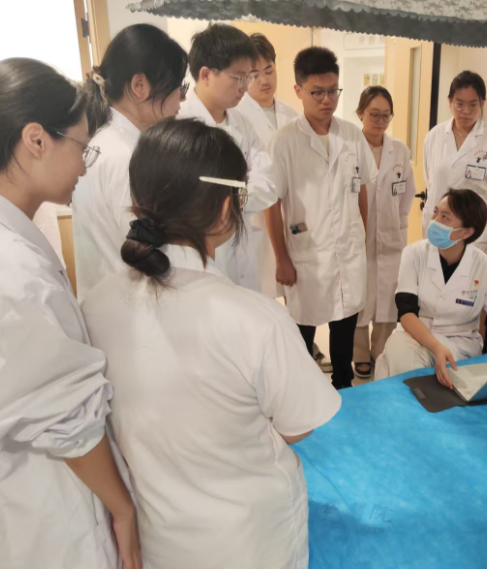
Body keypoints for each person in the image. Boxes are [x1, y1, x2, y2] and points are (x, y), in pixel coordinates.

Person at [80, 119, 341, 569]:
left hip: (159, 539)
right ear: (224, 211)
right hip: (251, 542)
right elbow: (298, 425)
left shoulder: (95, 305)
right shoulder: (256, 319)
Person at [0, 58, 141, 569]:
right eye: (82, 147)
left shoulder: (19, 239)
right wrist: (123, 508)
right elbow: (66, 421)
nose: (84, 166)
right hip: (44, 504)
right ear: (36, 140)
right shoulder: (14, 271)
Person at [266, 47, 377, 389]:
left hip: (348, 252)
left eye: (333, 91)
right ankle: (303, 394)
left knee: (344, 329)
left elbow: (361, 190)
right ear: (298, 90)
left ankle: (344, 387)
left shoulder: (352, 135)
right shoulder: (284, 141)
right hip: (306, 255)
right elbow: (272, 203)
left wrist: (360, 237)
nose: (327, 100)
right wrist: (281, 258)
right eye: (317, 92)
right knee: (303, 331)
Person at [375, 188, 487, 384]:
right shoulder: (413, 254)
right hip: (414, 338)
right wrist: (436, 347)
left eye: (445, 217)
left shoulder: (486, 268)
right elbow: (406, 314)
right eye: (436, 213)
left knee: (435, 378)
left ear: (466, 232)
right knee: (401, 353)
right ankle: (420, 395)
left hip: (459, 347)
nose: (435, 221)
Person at [71, 23, 189, 299]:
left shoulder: (105, 140)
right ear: (140, 86)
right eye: (178, 87)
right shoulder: (125, 157)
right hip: (130, 304)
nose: (181, 100)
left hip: (110, 302)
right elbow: (148, 254)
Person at [178, 23, 278, 293]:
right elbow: (192, 200)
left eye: (249, 77)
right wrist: (240, 194)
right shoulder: (180, 126)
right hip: (202, 262)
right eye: (239, 78)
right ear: (206, 74)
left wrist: (234, 198)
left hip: (244, 253)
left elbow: (269, 182)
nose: (245, 87)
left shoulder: (242, 123)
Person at [352, 86, 415, 379]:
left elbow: (407, 195)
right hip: (358, 237)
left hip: (391, 236)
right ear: (360, 114)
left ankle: (380, 352)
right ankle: (359, 354)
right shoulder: (349, 147)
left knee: (388, 297)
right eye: (374, 114)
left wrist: (400, 226)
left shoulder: (400, 150)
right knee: (360, 296)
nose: (380, 121)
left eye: (386, 116)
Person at [422, 71, 487, 259]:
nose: (465, 111)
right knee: (435, 275)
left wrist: (486, 214)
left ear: (482, 104)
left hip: (476, 235)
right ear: (450, 101)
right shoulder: (434, 136)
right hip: (438, 231)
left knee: (472, 277)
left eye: (473, 105)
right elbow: (430, 181)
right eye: (459, 104)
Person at [238, 32, 299, 299]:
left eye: (269, 70)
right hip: (256, 220)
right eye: (254, 74)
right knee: (262, 293)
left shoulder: (292, 115)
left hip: (292, 213)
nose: (264, 80)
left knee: (294, 292)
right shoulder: (238, 116)